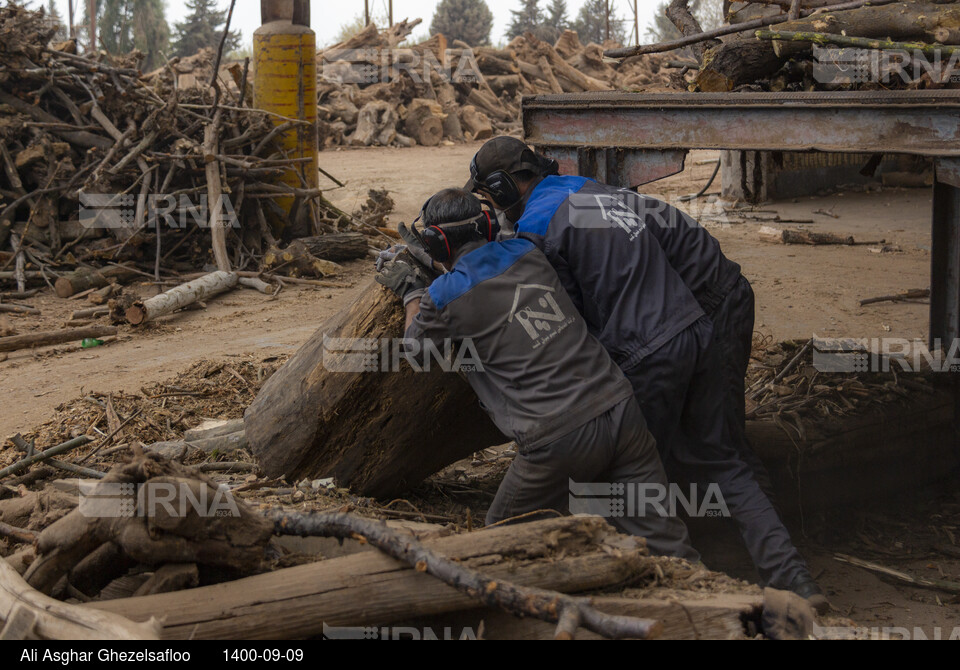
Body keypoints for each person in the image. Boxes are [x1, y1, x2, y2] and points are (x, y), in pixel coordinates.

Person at [465, 136, 827, 611]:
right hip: (698, 316)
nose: (496, 210)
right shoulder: (587, 188)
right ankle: (792, 580)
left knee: (626, 466)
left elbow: (564, 320)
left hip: (669, 332)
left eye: (491, 198)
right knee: (722, 455)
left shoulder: (536, 225)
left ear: (504, 187)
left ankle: (647, 586)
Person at [376, 187, 700, 562]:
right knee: (666, 541)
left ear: (436, 243)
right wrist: (438, 268)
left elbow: (417, 352)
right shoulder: (529, 252)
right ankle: (714, 604)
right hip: (621, 409)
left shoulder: (442, 298)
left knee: (498, 541)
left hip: (557, 436)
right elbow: (486, 275)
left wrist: (411, 290)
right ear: (486, 224)